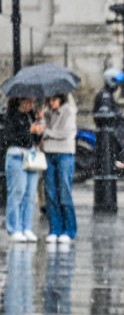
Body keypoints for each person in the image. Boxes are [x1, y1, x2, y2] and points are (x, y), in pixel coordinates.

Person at [4, 97, 45, 242]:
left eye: (33, 101)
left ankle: (26, 227)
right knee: (17, 193)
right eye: (28, 101)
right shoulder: (11, 116)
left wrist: (39, 126)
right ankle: (14, 228)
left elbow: (35, 141)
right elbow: (11, 138)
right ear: (19, 100)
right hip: (16, 157)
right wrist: (29, 130)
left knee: (29, 195)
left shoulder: (31, 116)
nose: (31, 104)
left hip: (31, 157)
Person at [41, 94, 78, 243]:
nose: (51, 102)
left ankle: (69, 230)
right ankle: (54, 228)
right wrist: (42, 117)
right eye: (49, 99)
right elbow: (40, 128)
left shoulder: (69, 111)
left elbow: (64, 132)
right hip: (48, 153)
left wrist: (46, 132)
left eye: (54, 99)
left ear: (61, 99)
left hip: (65, 153)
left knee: (64, 191)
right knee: (50, 193)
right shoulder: (47, 112)